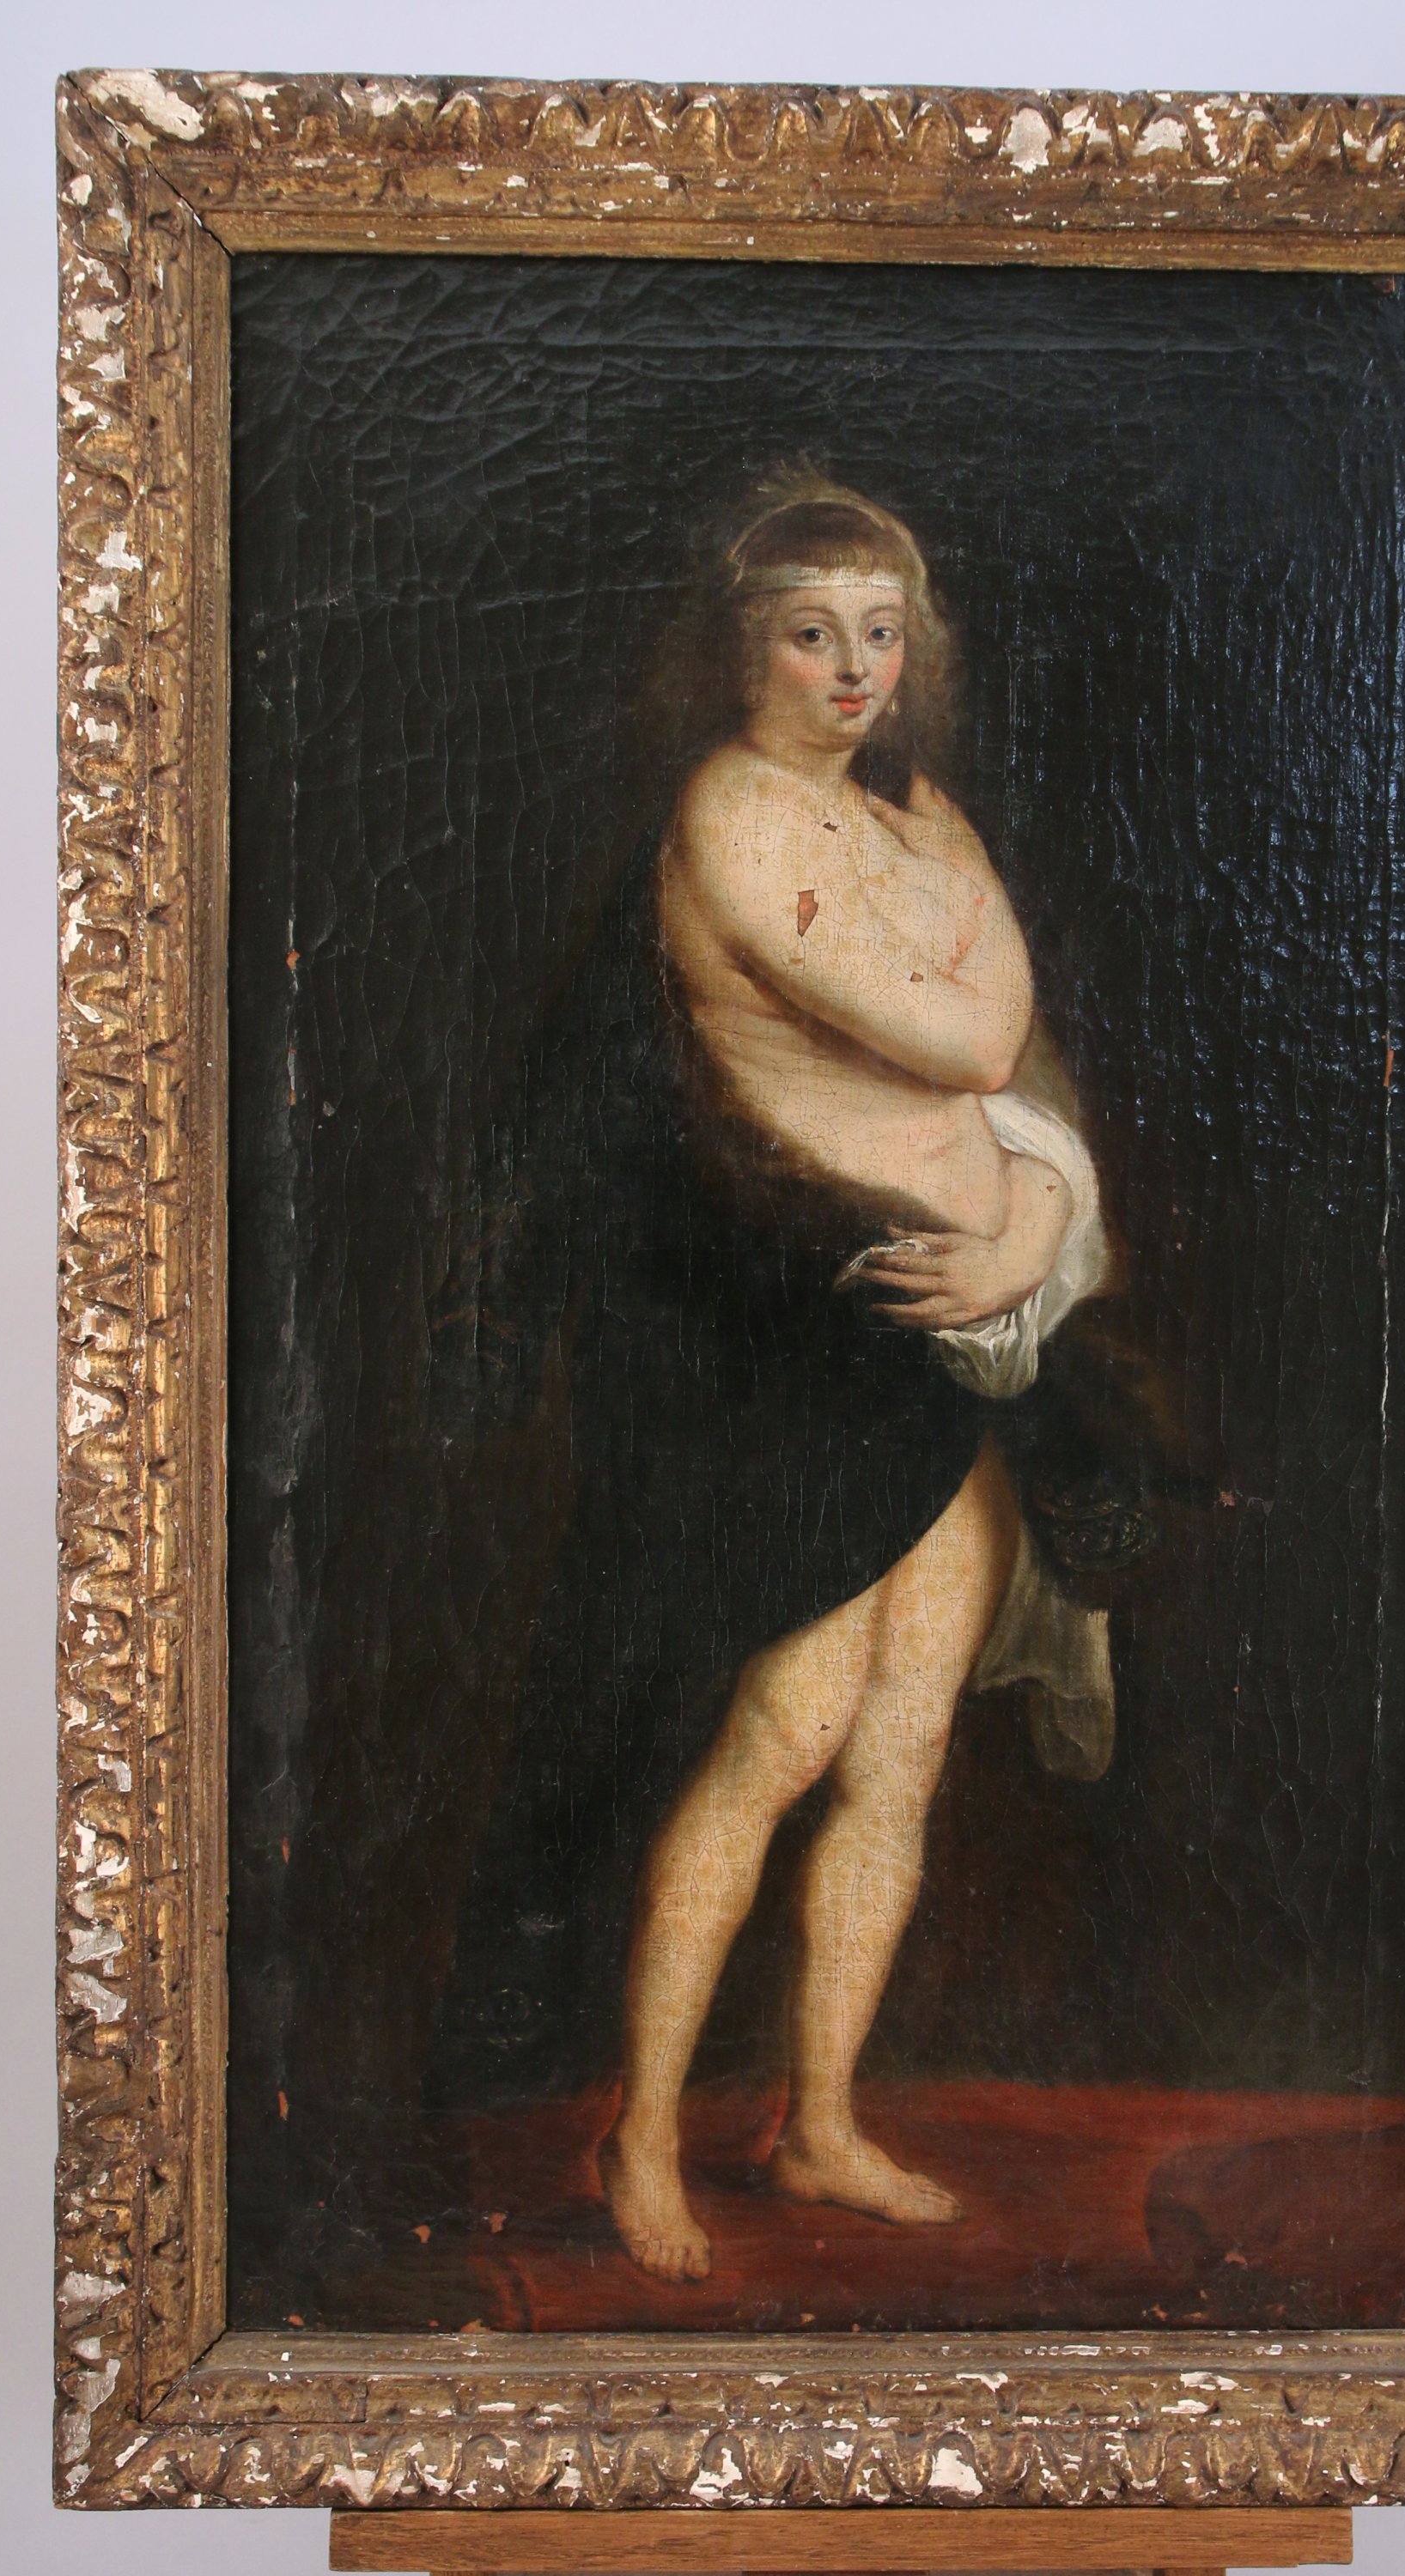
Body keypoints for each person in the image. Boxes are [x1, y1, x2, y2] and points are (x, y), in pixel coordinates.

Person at [428, 471, 1118, 2286]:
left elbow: (1011, 1078)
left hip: (951, 1349)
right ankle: (646, 2133)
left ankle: (817, 2123)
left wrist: (1030, 1224)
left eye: (881, 632)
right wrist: (962, 997)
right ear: (741, 647)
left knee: (902, 1749)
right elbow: (974, 1030)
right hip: (812, 1340)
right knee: (784, 1739)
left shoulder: (912, 817)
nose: (853, 670)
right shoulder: (734, 815)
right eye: (812, 634)